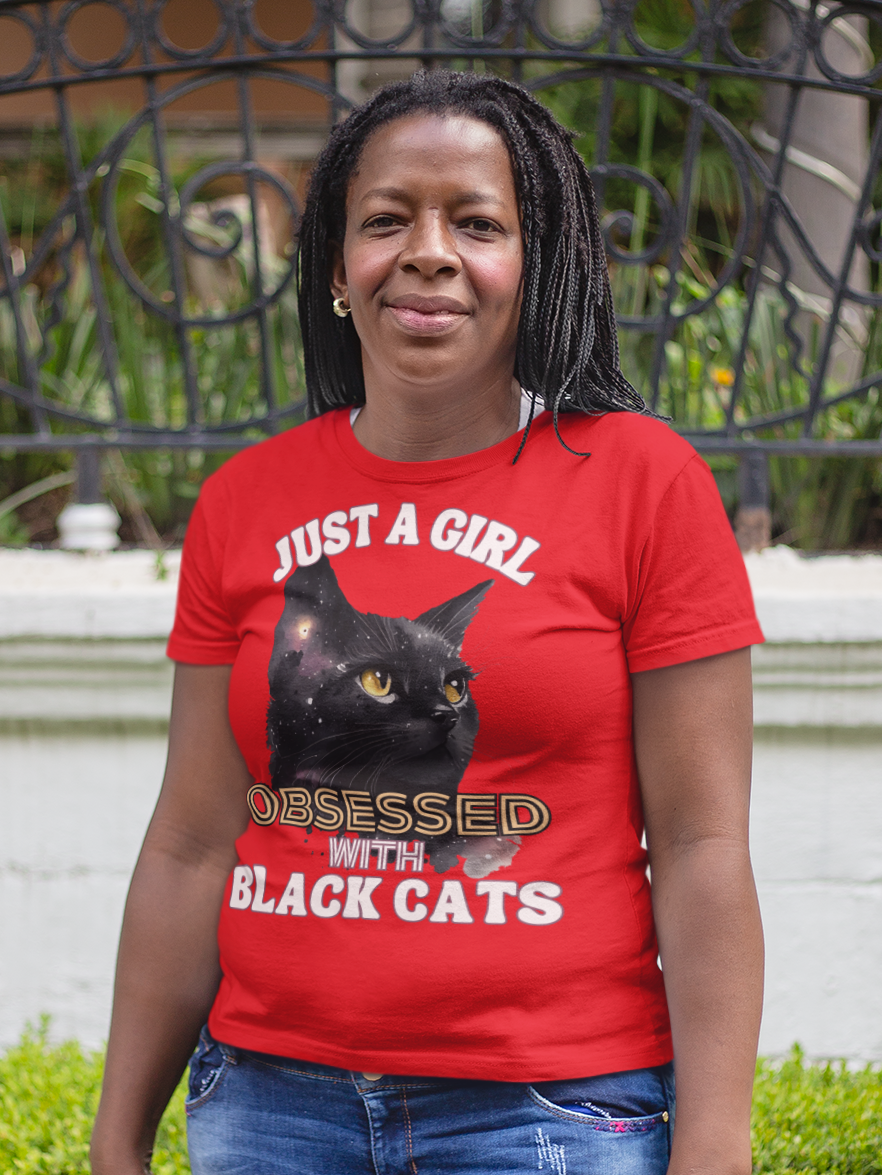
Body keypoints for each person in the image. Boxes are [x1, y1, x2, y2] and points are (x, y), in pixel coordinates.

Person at [91, 70, 764, 1175]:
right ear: (335, 267)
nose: (429, 253)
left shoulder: (641, 482)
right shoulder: (247, 499)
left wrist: (713, 1147)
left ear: (536, 264)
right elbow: (191, 842)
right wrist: (117, 1139)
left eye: (478, 224)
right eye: (386, 219)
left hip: (545, 1110)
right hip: (265, 1105)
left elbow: (700, 847)